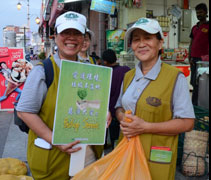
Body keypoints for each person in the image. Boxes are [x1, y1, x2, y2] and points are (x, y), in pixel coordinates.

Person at [16, 11, 107, 180]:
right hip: (52, 160)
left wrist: (103, 112)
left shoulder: (90, 70)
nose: (71, 38)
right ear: (55, 36)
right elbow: (24, 111)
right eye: (66, 32)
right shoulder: (43, 71)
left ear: (84, 38)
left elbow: (85, 103)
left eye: (77, 33)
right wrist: (55, 139)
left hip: (85, 158)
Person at [115, 18, 195, 180]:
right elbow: (119, 108)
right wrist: (124, 118)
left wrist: (145, 126)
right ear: (131, 46)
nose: (142, 44)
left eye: (148, 38)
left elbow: (187, 122)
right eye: (136, 39)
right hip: (127, 151)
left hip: (156, 157)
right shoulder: (128, 76)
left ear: (160, 43)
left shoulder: (174, 78)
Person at [102, 49, 130, 149]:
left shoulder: (105, 73)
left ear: (105, 61)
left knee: (112, 133)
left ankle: (110, 147)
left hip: (110, 108)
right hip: (125, 108)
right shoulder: (126, 70)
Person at [189, 3, 209, 105]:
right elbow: (191, 43)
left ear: (206, 12)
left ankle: (202, 106)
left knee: (203, 84)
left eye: (201, 12)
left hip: (205, 62)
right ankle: (194, 105)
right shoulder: (194, 28)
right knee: (194, 83)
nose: (199, 14)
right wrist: (190, 57)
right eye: (197, 13)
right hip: (194, 60)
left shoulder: (208, 26)